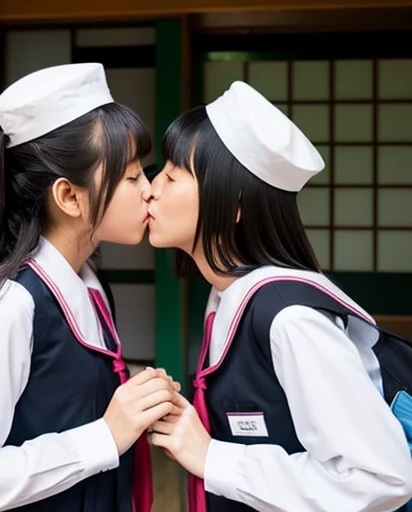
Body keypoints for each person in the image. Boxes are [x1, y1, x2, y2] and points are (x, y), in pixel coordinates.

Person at [0, 63, 178, 512]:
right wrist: (104, 435)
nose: (148, 190)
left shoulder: (88, 284)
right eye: (132, 176)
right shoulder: (10, 307)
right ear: (69, 197)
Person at [147, 80, 412, 511]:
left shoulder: (291, 320)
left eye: (173, 175)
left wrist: (213, 456)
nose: (151, 188)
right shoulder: (229, 298)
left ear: (233, 203)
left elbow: (381, 477)